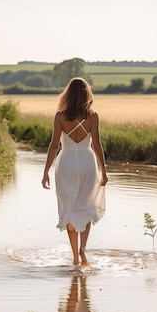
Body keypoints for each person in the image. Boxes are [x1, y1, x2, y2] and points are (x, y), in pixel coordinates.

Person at [42, 77, 108, 267]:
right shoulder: (93, 116)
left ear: (68, 94)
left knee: (69, 208)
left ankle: (75, 257)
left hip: (67, 164)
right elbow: (97, 146)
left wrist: (46, 171)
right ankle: (83, 249)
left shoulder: (60, 116)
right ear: (87, 94)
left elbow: (54, 145)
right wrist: (104, 172)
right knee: (86, 207)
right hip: (87, 163)